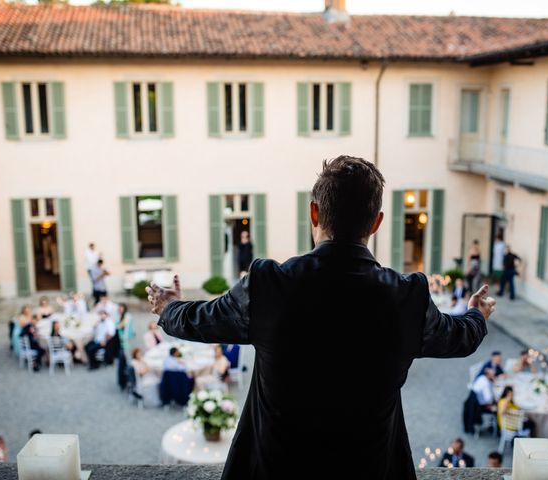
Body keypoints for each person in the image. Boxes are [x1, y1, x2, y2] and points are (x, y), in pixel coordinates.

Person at [147, 155, 494, 480]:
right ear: (376, 222)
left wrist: (168, 307)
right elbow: (459, 337)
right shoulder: (406, 296)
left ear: (313, 213)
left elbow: (203, 319)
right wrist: (477, 314)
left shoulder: (270, 285)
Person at [116, 303, 135, 389]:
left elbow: (120, 326)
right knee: (121, 363)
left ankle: (128, 381)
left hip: (127, 342)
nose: (120, 310)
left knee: (127, 362)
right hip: (120, 343)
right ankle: (122, 382)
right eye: (119, 308)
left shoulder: (127, 316)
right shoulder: (118, 316)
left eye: (121, 308)